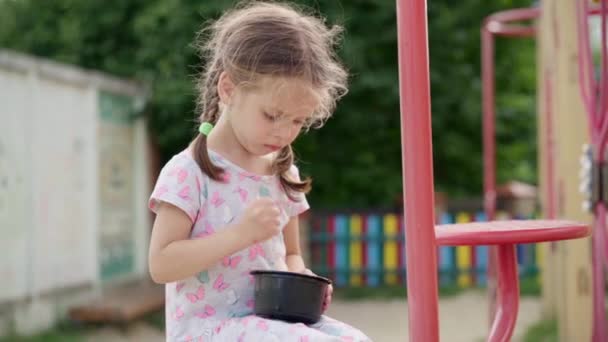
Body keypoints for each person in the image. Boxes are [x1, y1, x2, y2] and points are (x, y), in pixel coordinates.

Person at [148, 2, 372, 341]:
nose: (284, 133)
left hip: (268, 325)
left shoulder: (283, 173)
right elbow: (161, 265)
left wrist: (303, 278)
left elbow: (292, 254)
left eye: (298, 121)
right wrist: (240, 235)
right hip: (208, 330)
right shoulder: (188, 172)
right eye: (271, 115)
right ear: (228, 89)